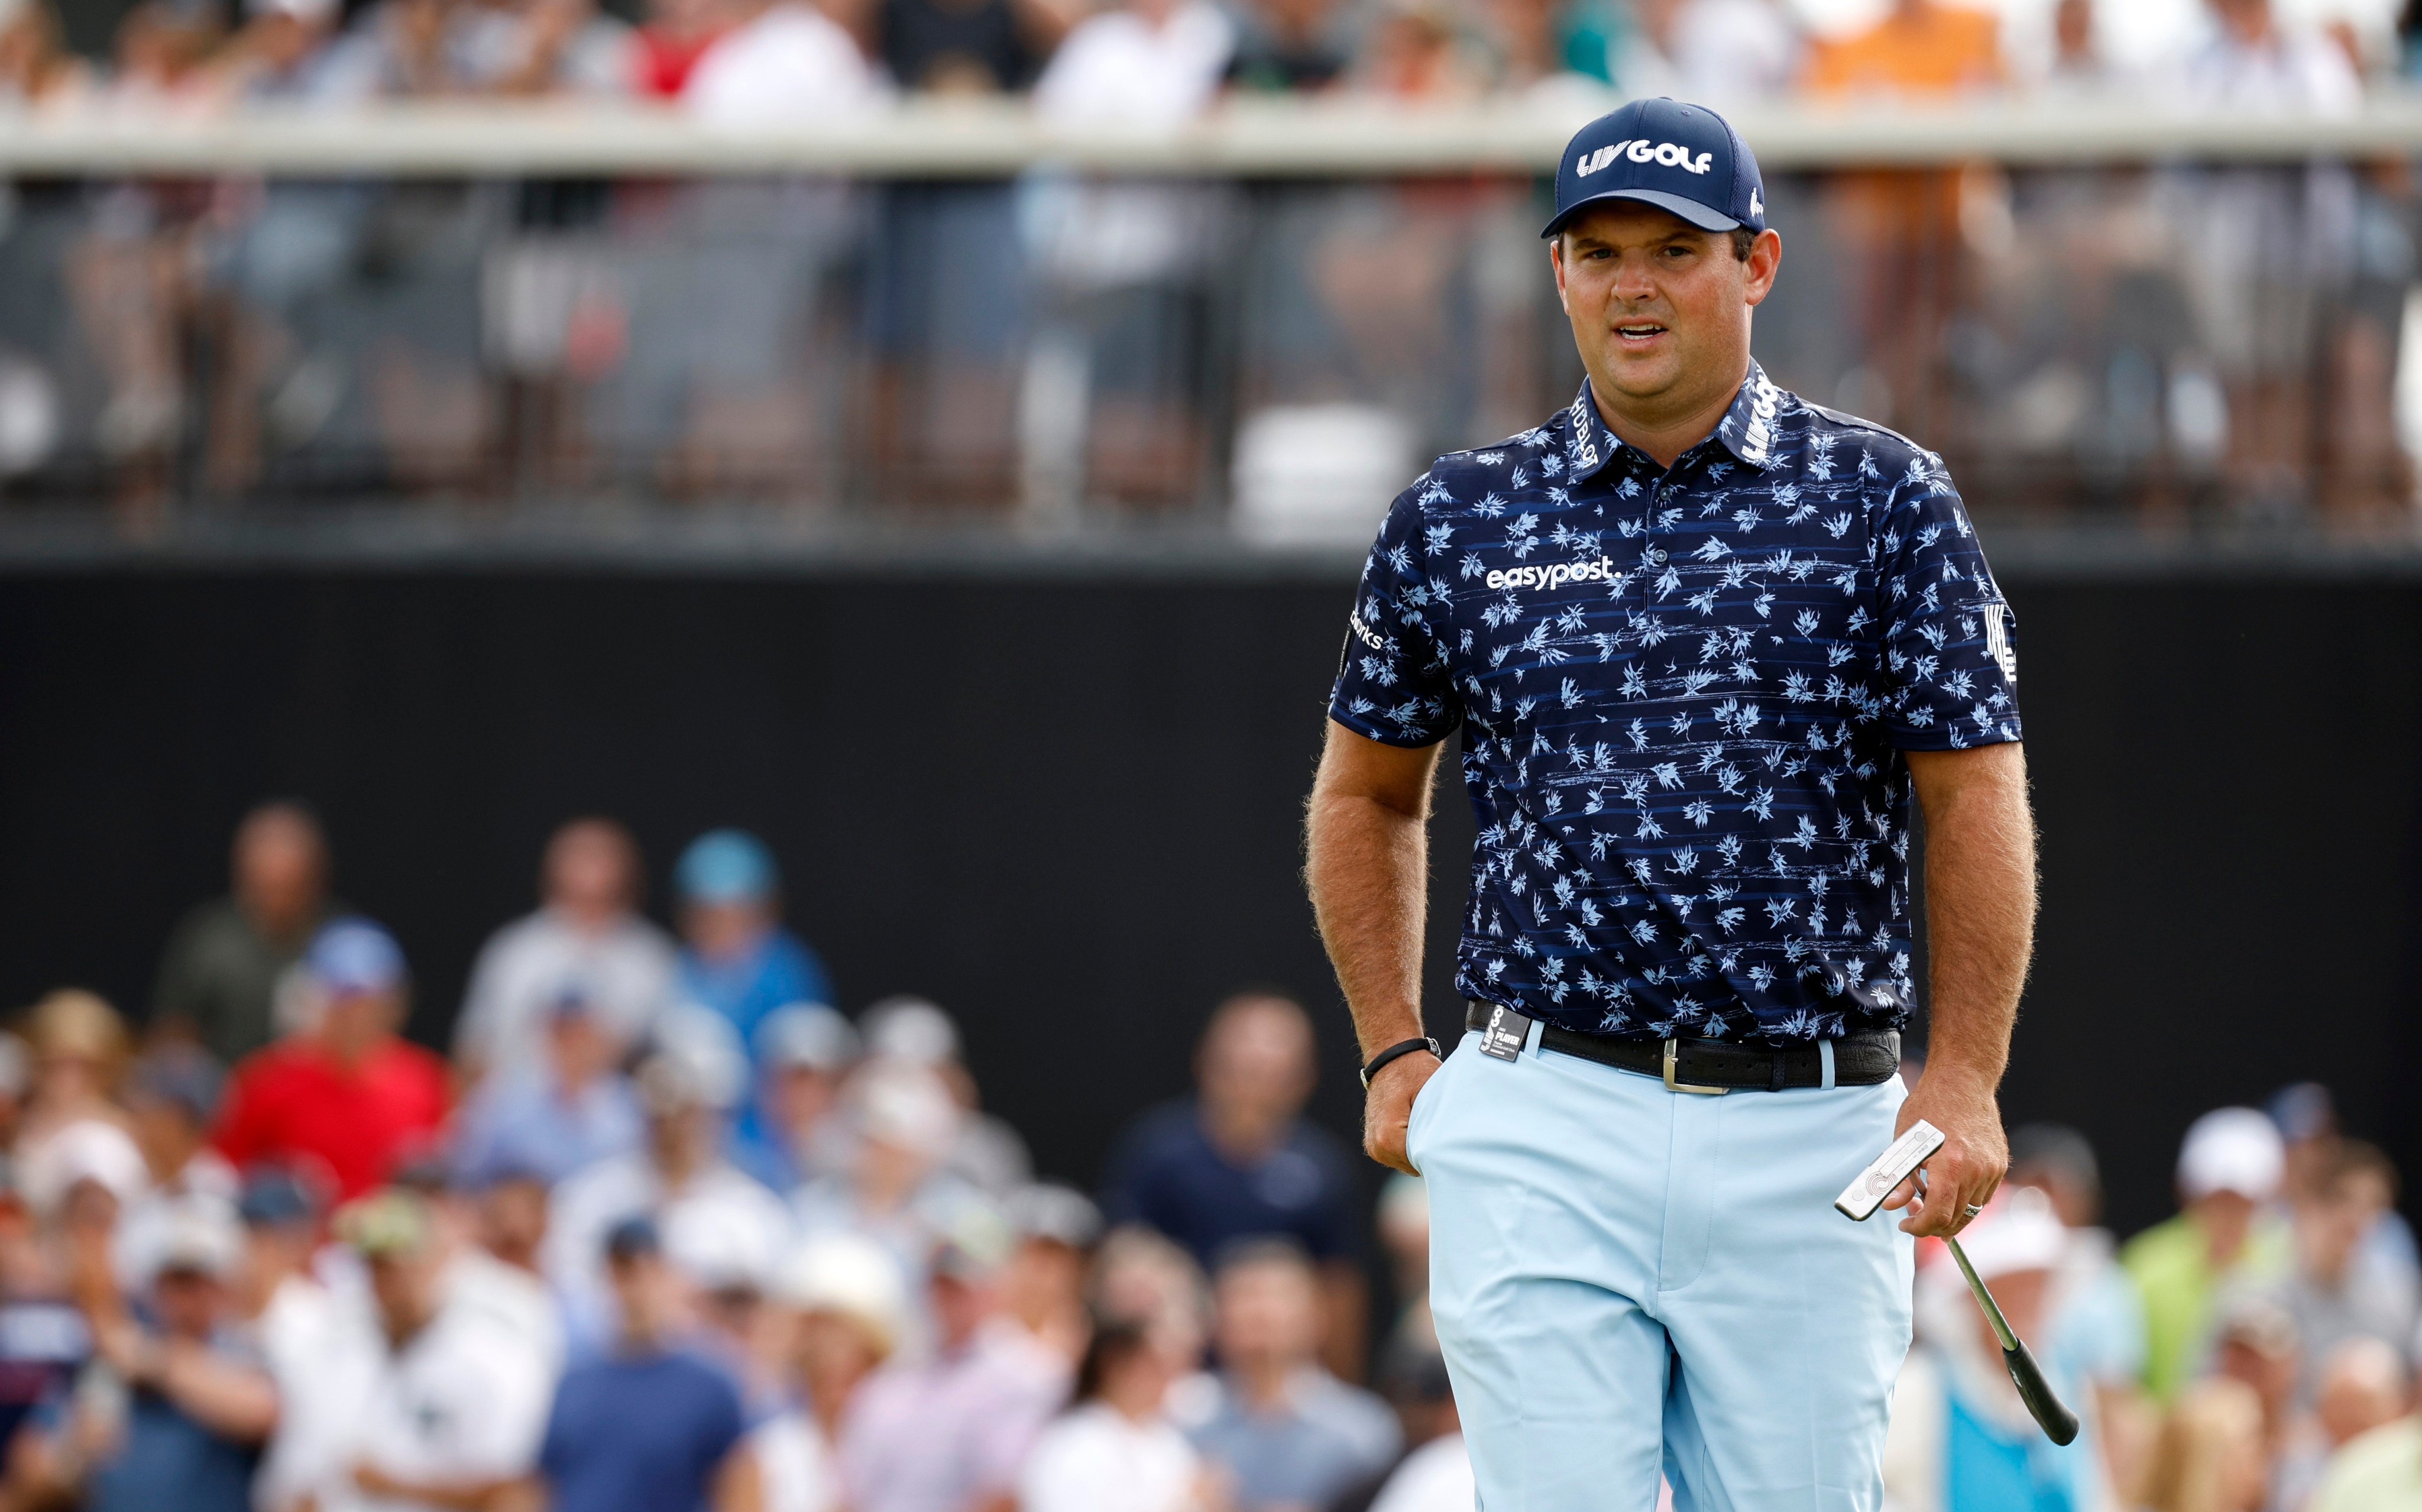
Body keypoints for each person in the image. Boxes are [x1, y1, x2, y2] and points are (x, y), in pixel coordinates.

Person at [1303, 95, 2035, 1512]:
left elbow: (1975, 796)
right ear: (1558, 272)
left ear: (1754, 264)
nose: (1633, 283)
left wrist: (1964, 1080)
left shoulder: (1885, 501)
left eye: (1673, 250)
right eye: (1599, 251)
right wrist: (1392, 1049)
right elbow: (1364, 795)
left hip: (1810, 1128)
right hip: (1541, 1110)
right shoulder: (1460, 517)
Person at [1102, 993, 1367, 1378]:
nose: (1253, 1088)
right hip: (1176, 1362)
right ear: (1207, 1063)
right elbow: (1120, 1255)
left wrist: (1336, 1387)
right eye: (1242, 1068)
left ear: (1303, 1079)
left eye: (1272, 1072)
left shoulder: (1321, 1170)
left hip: (1279, 1375)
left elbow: (1339, 1289)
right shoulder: (1158, 1151)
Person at [316, 1189, 556, 1512]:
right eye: (373, 1265)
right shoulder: (344, 1350)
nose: (382, 1281)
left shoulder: (488, 1357)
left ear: (436, 1260)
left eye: (394, 1265)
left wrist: (391, 1484)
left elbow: (515, 1493)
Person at [544, 1041, 792, 1349]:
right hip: (617, 1355)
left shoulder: (752, 1212)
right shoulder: (594, 1195)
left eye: (689, 1113)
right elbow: (569, 1288)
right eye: (664, 1115)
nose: (676, 1128)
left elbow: (769, 1311)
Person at [517, 1216, 758, 1512]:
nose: (635, 1288)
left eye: (647, 1271)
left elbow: (741, 1488)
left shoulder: (711, 1385)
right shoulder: (574, 1381)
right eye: (623, 1273)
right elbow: (540, 1486)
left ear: (667, 1274)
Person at [1881, 1191, 2103, 1512]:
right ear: (1970, 1302)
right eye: (2009, 1288)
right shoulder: (1919, 1390)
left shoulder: (2072, 1387)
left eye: (2037, 1286)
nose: (2027, 1303)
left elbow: (2094, 1498)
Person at [839, 1212, 1069, 1512]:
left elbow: (1003, 1497)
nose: (949, 1298)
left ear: (997, 1287)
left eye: (964, 1287)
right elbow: (849, 1493)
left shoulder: (1031, 1377)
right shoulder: (894, 1378)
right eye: (941, 1284)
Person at [212, 918, 451, 1203]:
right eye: (343, 1000)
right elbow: (226, 1176)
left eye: (370, 1001)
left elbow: (440, 1182)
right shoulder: (267, 1082)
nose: (356, 1016)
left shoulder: (426, 1081)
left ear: (396, 1004)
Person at [79, 1200, 279, 1512]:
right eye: (174, 1284)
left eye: (199, 1284)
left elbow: (260, 1413)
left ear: (223, 1290)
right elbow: (43, 1464)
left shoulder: (242, 1349)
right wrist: (73, 1452)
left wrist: (153, 1360)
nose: (185, 1300)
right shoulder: (116, 1359)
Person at [1176, 1238, 1398, 1511]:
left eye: (1278, 1296)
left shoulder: (1364, 1430)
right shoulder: (1184, 1420)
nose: (1260, 1312)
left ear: (1317, 1316)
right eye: (1244, 1296)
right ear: (1216, 1320)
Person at [454, 818, 679, 1083]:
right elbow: (473, 1052)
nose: (590, 867)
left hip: (620, 1116)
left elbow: (672, 1061)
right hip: (520, 1111)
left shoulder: (652, 957)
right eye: (580, 856)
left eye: (601, 856)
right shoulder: (515, 951)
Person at [2123, 1109, 2292, 1404]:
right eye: (2216, 1199)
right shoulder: (2145, 1265)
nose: (2227, 1214)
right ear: (2190, 1195)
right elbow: (2126, 1380)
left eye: (2241, 1202)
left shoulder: (2291, 1259)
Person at [151, 803, 334, 1065]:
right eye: (267, 888)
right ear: (242, 878)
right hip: (224, 1095)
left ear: (316, 879)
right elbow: (174, 1031)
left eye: (289, 888)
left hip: (322, 1096)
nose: (277, 902)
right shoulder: (209, 940)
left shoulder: (347, 943)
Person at [755, 1232, 911, 1512]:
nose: (833, 1362)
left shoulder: (914, 1450)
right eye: (817, 1345)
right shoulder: (769, 1456)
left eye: (853, 1353)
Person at [2264, 1142, 2417, 1409]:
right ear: (2311, 1202)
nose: (2356, 1218)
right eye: (2344, 1199)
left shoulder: (2401, 1293)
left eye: (2373, 1205)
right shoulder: (2260, 1292)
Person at [451, 990, 645, 1189]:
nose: (574, 1045)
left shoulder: (627, 1105)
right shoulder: (502, 1096)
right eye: (563, 1033)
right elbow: (468, 1173)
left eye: (582, 1033)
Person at [1018, 1316, 1210, 1512]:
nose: (1166, 1376)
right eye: (1153, 1364)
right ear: (1115, 1366)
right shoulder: (1070, 1445)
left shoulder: (1170, 1441)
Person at [672, 830, 835, 1058]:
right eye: (708, 915)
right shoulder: (680, 968)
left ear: (766, 911)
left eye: (735, 915)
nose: (720, 929)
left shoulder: (789, 975)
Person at [731, 1002, 859, 1191]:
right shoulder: (736, 1157)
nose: (803, 1096)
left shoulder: (859, 1164)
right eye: (789, 1080)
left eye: (819, 1081)